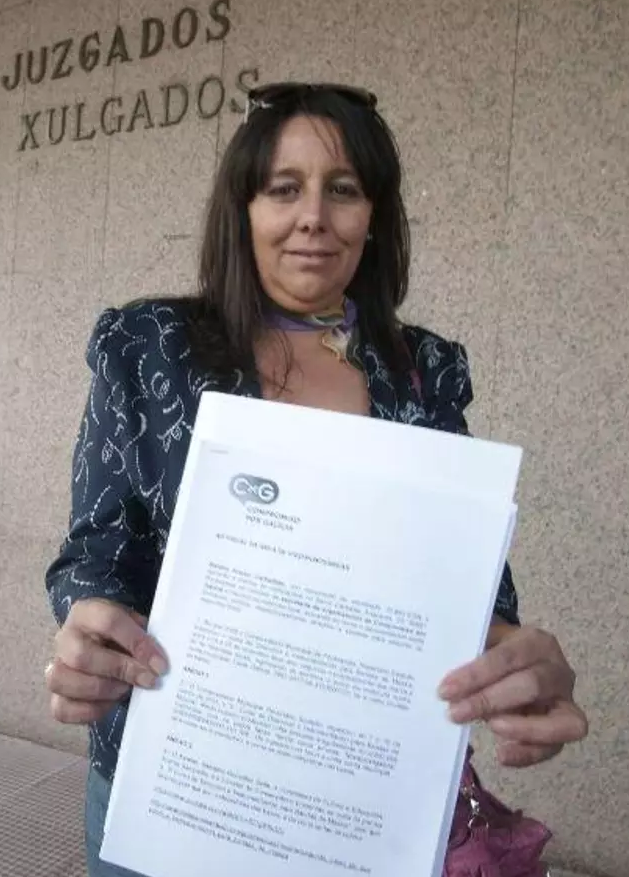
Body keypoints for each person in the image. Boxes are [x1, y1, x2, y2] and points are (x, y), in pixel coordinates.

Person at [43, 83, 589, 875]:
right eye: (283, 188)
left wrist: (519, 664)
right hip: (172, 786)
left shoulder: (421, 371)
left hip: (347, 809)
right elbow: (95, 550)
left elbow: (470, 591)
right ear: (243, 211)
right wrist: (89, 625)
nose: (313, 217)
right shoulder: (154, 346)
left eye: (343, 190)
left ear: (375, 216)